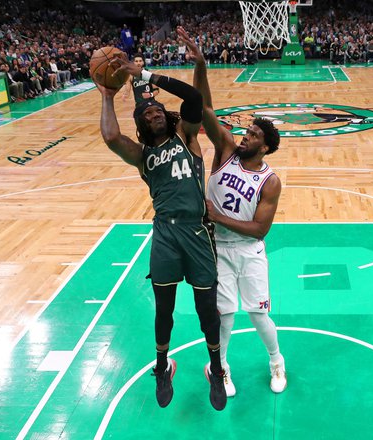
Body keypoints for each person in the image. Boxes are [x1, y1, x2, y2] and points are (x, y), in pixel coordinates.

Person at [97, 56, 227, 411]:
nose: (153, 114)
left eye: (157, 111)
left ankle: (216, 369)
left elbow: (193, 98)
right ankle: (162, 365)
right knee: (164, 310)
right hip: (165, 235)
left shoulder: (187, 135)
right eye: (146, 114)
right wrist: (107, 95)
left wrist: (147, 76)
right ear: (140, 125)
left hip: (198, 232)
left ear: (167, 116)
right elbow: (110, 136)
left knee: (207, 310)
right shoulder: (142, 156)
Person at [179, 27, 287, 397]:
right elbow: (204, 109)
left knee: (258, 315)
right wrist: (201, 68)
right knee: (223, 316)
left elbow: (259, 230)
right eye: (247, 131)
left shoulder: (270, 181)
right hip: (217, 250)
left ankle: (276, 361)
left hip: (249, 251)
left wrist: (214, 214)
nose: (245, 136)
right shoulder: (225, 149)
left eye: (254, 135)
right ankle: (220, 368)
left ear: (266, 147)